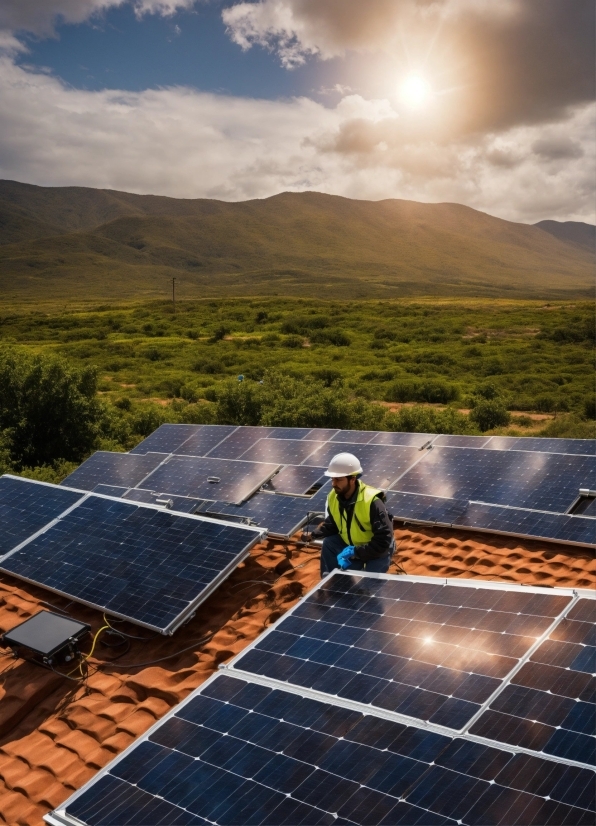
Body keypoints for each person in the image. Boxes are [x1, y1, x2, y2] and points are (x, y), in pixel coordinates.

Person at [301, 452, 395, 576]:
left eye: (338, 479)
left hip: (375, 549)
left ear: (352, 479)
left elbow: (383, 540)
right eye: (332, 479)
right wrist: (313, 535)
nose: (333, 484)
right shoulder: (333, 497)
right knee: (329, 543)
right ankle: (330, 580)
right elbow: (333, 523)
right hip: (351, 545)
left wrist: (356, 552)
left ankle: (362, 582)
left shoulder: (372, 501)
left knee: (368, 589)